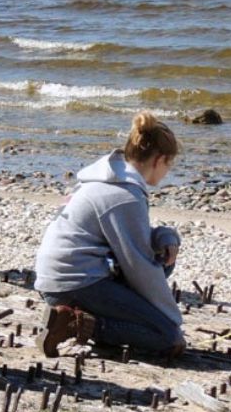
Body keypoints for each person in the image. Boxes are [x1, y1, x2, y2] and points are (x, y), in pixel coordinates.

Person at [34, 111, 185, 358]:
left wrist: (165, 236)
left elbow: (128, 236)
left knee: (163, 265)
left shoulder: (109, 178)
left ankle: (83, 318)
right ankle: (76, 325)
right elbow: (140, 266)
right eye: (169, 165)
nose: (168, 172)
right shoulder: (125, 196)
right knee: (167, 337)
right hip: (72, 283)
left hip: (59, 276)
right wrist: (172, 319)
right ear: (159, 159)